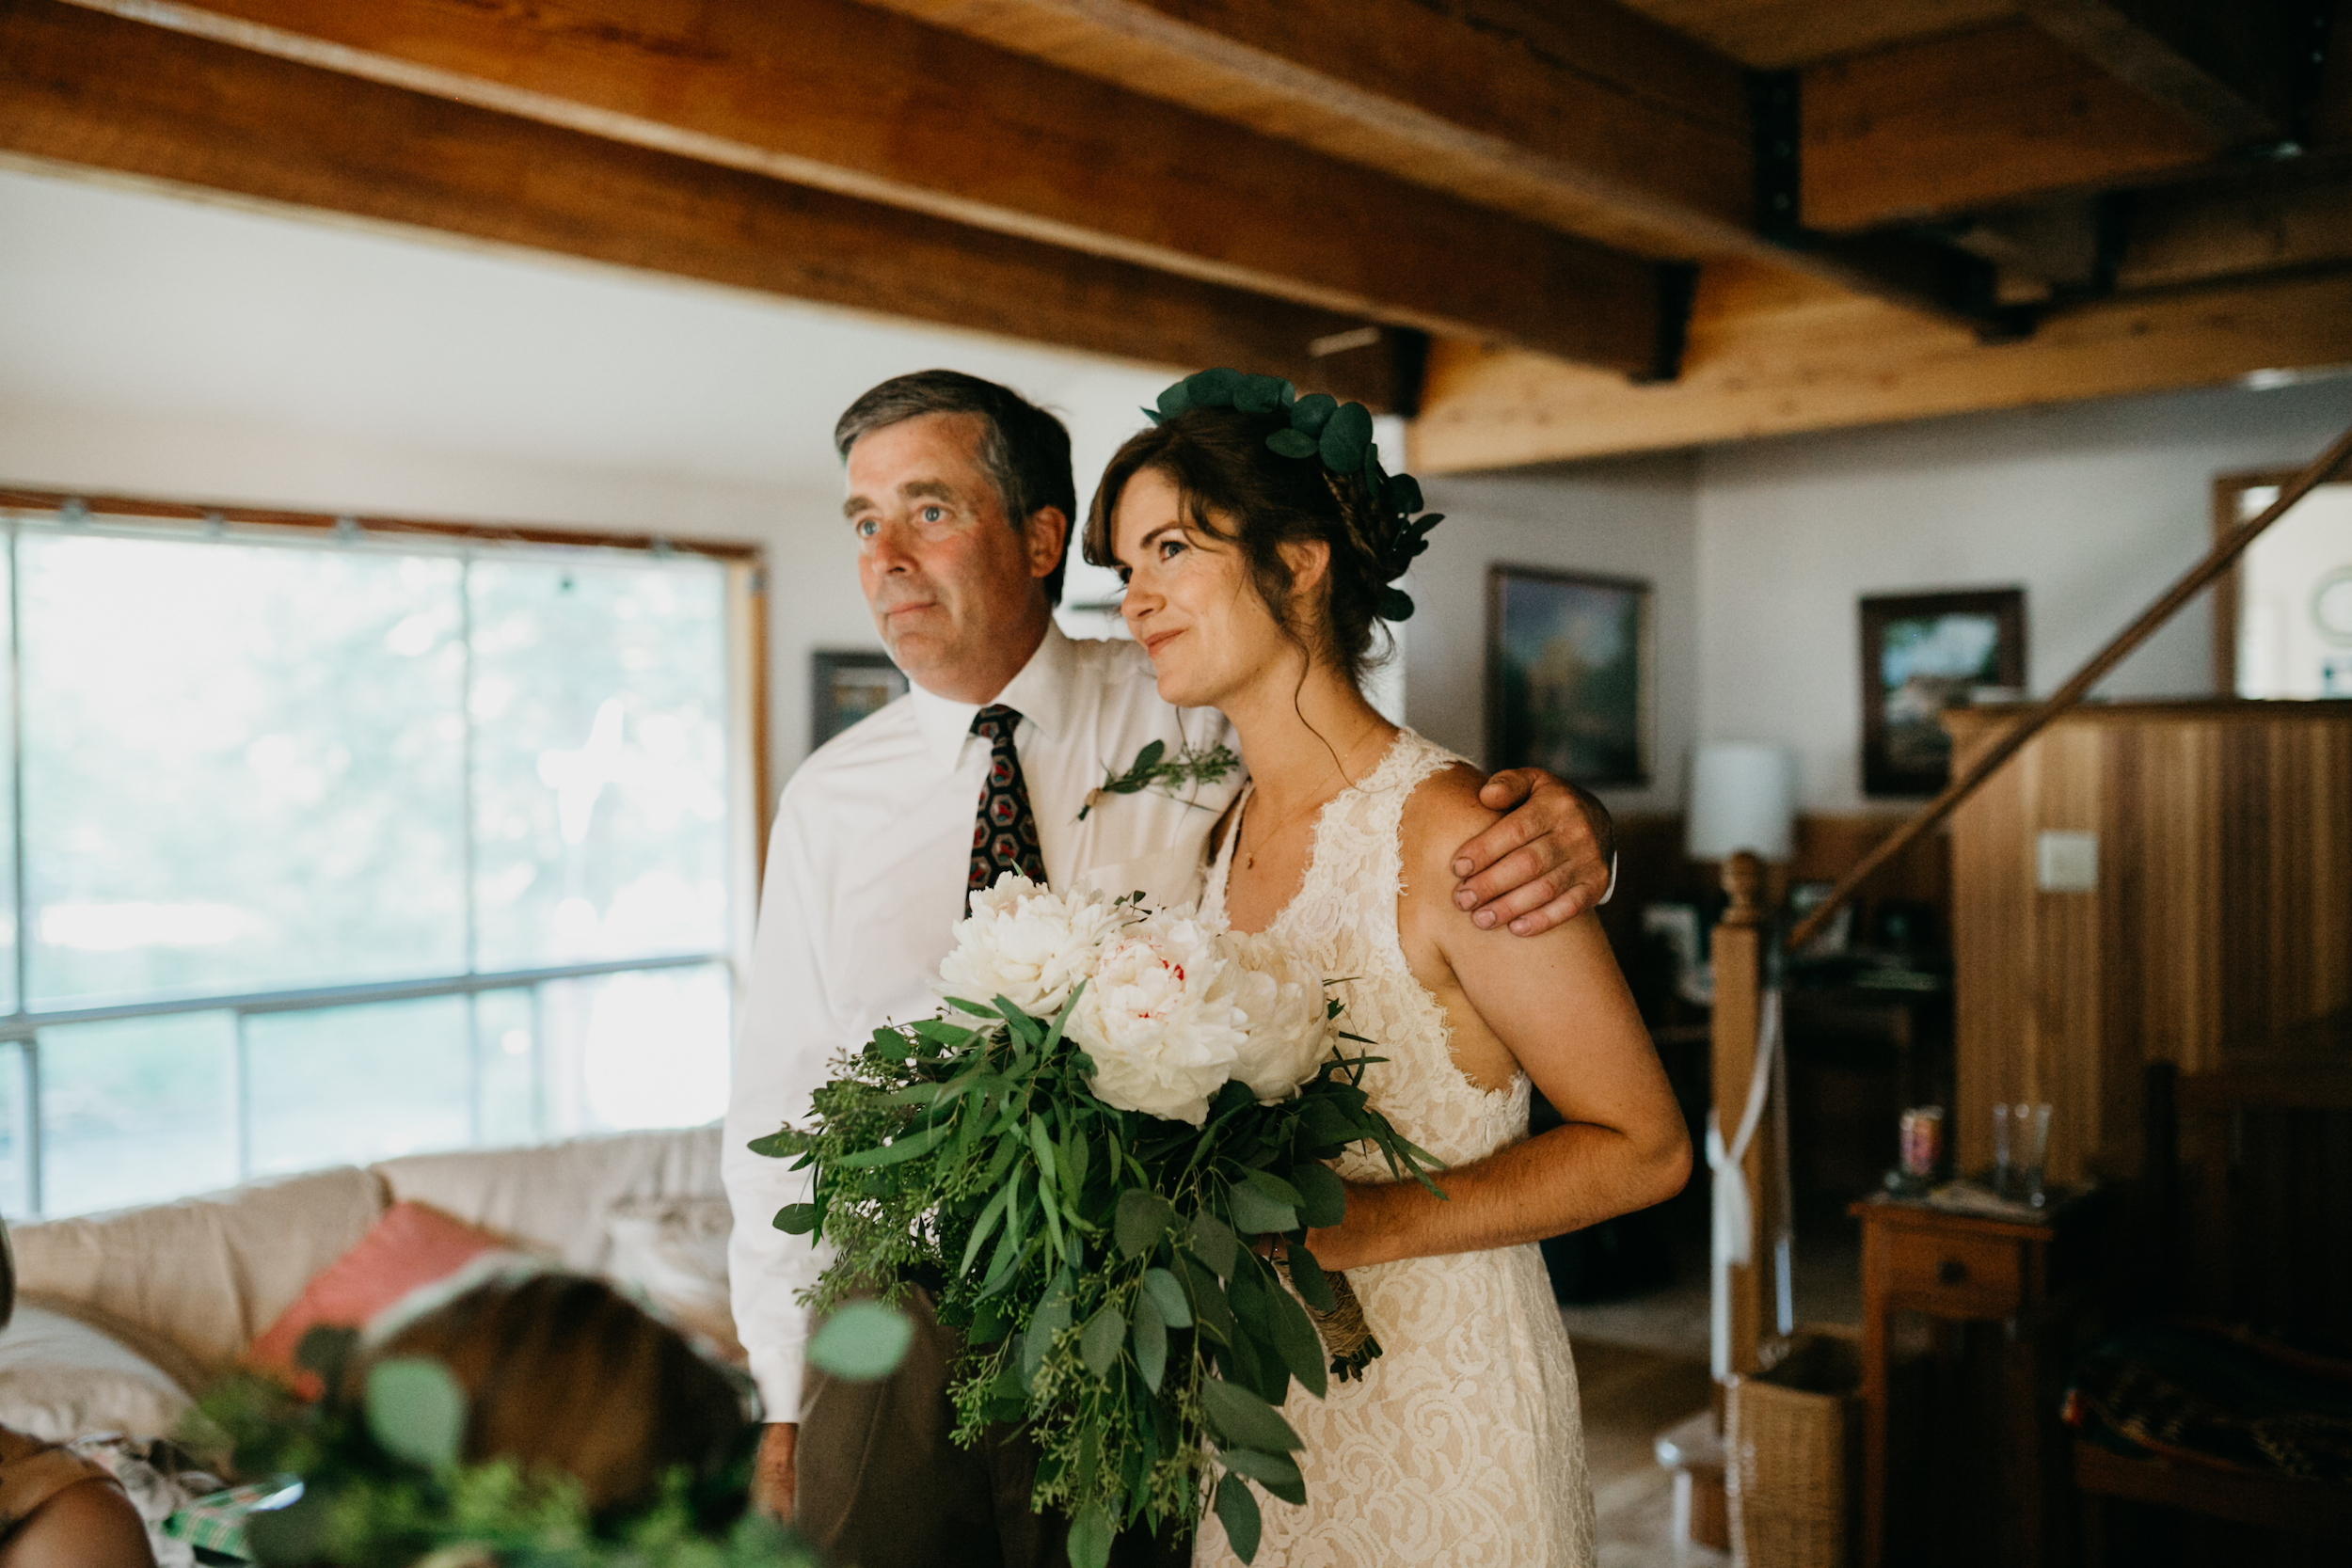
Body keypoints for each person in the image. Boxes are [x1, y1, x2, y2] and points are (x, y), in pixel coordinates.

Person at [723, 371, 1620, 1568]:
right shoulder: (828, 800)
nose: (884, 554)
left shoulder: (1183, 702)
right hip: (896, 1311)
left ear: (1041, 539)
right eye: (861, 519)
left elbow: (1364, 778)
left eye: (928, 510)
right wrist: (783, 1393)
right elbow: (777, 1094)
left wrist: (1577, 833)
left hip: (1144, 1313)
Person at [1089, 388, 1692, 1566]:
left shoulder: (1453, 832)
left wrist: (1358, 1225)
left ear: (1300, 562)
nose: (1135, 597)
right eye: (1124, 565)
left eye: (1170, 549)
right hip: (1267, 1415)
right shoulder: (1213, 834)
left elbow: (1646, 1142)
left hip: (1446, 1411)